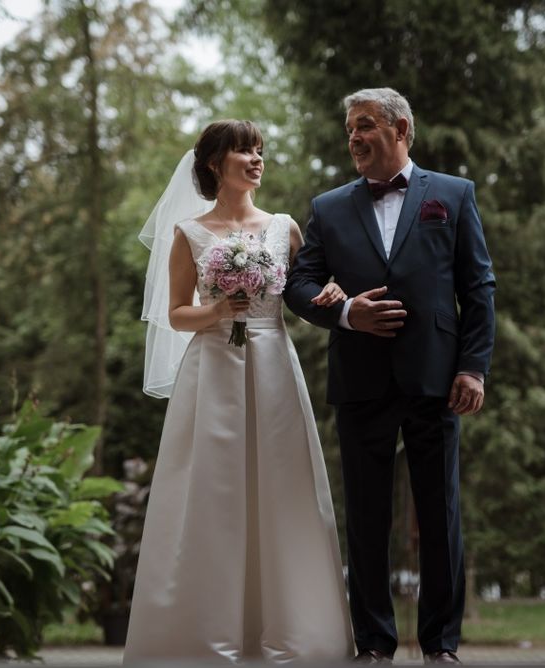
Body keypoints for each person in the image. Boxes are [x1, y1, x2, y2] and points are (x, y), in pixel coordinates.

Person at [125, 120, 353, 662]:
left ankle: (293, 629)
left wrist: (332, 289)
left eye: (259, 150)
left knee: (283, 488)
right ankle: (206, 630)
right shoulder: (189, 233)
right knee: (213, 491)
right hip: (212, 372)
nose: (256, 159)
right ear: (214, 163)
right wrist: (217, 311)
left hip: (273, 366)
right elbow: (175, 314)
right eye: (244, 151)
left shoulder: (284, 227)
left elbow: (311, 285)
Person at [284, 88, 496, 665]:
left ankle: (441, 645)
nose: (353, 137)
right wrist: (346, 313)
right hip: (361, 379)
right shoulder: (329, 206)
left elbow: (478, 287)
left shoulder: (453, 195)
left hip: (436, 378)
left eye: (365, 125)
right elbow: (299, 285)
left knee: (441, 516)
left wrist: (473, 367)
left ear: (400, 129)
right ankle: (374, 644)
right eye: (350, 128)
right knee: (366, 516)